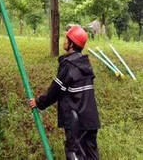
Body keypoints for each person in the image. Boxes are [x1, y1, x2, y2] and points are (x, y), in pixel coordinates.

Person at [29, 26, 100, 160]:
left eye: (66, 39)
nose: (64, 41)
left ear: (72, 44)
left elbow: (55, 90)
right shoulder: (85, 63)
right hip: (91, 118)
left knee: (75, 154)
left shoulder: (69, 65)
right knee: (91, 155)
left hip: (76, 120)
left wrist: (39, 103)